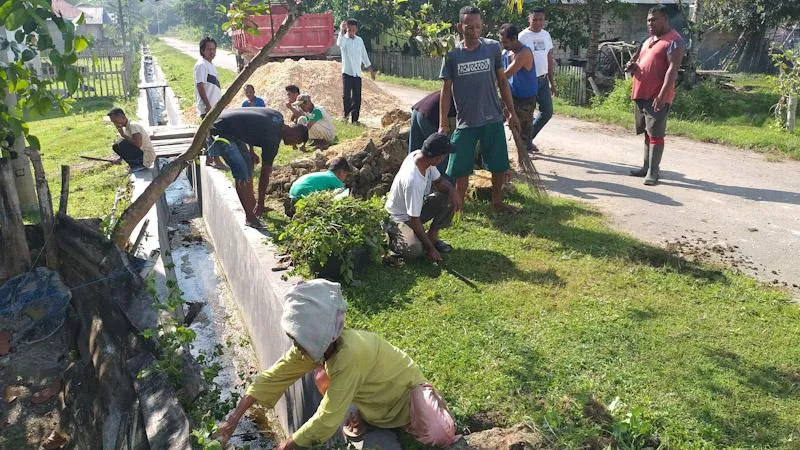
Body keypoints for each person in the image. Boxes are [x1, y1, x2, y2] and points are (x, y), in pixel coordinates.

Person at [216, 279, 459, 449]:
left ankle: (418, 410)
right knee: (322, 377)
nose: (296, 347)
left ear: (317, 338)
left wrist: (286, 446)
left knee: (440, 434)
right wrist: (234, 419)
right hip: (371, 400)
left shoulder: (350, 354)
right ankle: (364, 415)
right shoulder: (316, 348)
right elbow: (274, 376)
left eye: (298, 341)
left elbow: (326, 419)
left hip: (403, 397)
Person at [439, 6, 521, 213]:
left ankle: (497, 201)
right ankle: (458, 208)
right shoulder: (452, 54)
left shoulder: (492, 48)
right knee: (460, 168)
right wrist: (442, 123)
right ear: (460, 27)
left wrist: (512, 112)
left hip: (492, 117)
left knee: (499, 164)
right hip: (466, 121)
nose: (474, 31)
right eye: (469, 27)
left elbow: (502, 81)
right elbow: (446, 91)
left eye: (478, 26)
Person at [207, 107, 308, 227]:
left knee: (248, 164)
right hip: (220, 130)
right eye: (296, 142)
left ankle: (252, 205)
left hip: (226, 122)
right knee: (241, 173)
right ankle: (250, 218)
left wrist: (251, 150)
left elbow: (251, 123)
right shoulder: (272, 140)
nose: (294, 145)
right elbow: (264, 175)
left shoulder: (278, 117)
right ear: (295, 134)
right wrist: (261, 203)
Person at [624, 5, 685, 186]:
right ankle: (646, 167)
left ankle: (653, 172)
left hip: (657, 96)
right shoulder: (648, 40)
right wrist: (633, 66)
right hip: (641, 93)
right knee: (646, 132)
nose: (650, 23)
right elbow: (643, 62)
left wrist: (662, 95)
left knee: (656, 133)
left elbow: (672, 70)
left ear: (665, 19)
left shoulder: (674, 41)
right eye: (648, 20)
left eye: (654, 20)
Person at [385, 133, 461, 262]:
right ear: (437, 158)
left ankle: (431, 236)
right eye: (444, 155)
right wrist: (430, 249)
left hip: (414, 213)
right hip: (398, 219)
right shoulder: (413, 181)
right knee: (415, 250)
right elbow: (414, 219)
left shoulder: (421, 157)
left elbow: (439, 181)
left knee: (448, 196)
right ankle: (394, 238)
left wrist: (453, 191)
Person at [518, 7, 557, 153]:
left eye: (541, 19)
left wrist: (552, 82)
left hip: (543, 80)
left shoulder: (546, 35)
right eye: (535, 19)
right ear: (529, 19)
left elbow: (549, 59)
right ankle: (524, 144)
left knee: (547, 112)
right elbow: (516, 59)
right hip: (528, 81)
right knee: (527, 115)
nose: (538, 22)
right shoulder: (523, 36)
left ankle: (527, 140)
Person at [499, 24, 538, 156]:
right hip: (510, 95)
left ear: (514, 39)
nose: (503, 45)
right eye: (501, 42)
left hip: (525, 99)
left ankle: (523, 159)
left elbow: (505, 75)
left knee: (522, 132)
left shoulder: (524, 53)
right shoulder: (506, 52)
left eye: (505, 42)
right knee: (494, 120)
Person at [194, 36, 225, 169]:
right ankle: (216, 160)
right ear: (202, 50)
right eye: (209, 49)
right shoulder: (201, 65)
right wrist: (207, 105)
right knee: (211, 133)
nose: (212, 52)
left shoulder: (210, 65)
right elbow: (200, 86)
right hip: (208, 107)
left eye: (213, 49)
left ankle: (209, 158)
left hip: (214, 106)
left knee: (210, 132)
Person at [337, 18, 376, 124]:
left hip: (357, 74)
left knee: (357, 97)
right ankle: (345, 116)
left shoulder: (359, 40)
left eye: (353, 30)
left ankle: (355, 120)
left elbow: (364, 55)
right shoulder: (344, 39)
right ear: (347, 29)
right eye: (349, 30)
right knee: (346, 96)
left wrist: (370, 70)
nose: (351, 32)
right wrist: (341, 30)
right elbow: (339, 43)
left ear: (356, 29)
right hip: (347, 72)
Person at [408, 91, 456, 176]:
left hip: (418, 110)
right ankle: (441, 182)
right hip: (431, 117)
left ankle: (410, 180)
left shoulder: (456, 89)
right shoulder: (469, 99)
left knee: (415, 157)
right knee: (441, 155)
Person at [285, 157, 350, 217]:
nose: (345, 178)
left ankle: (293, 209)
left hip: (292, 195)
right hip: (301, 199)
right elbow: (344, 196)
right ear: (341, 172)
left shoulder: (324, 175)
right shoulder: (334, 179)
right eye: (346, 175)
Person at [107, 108, 155, 172]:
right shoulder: (127, 127)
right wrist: (120, 159)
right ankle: (134, 164)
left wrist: (123, 135)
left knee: (122, 143)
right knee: (116, 146)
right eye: (113, 122)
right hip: (141, 153)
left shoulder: (133, 126)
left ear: (123, 117)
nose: (115, 124)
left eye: (115, 121)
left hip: (147, 156)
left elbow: (138, 144)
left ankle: (140, 165)